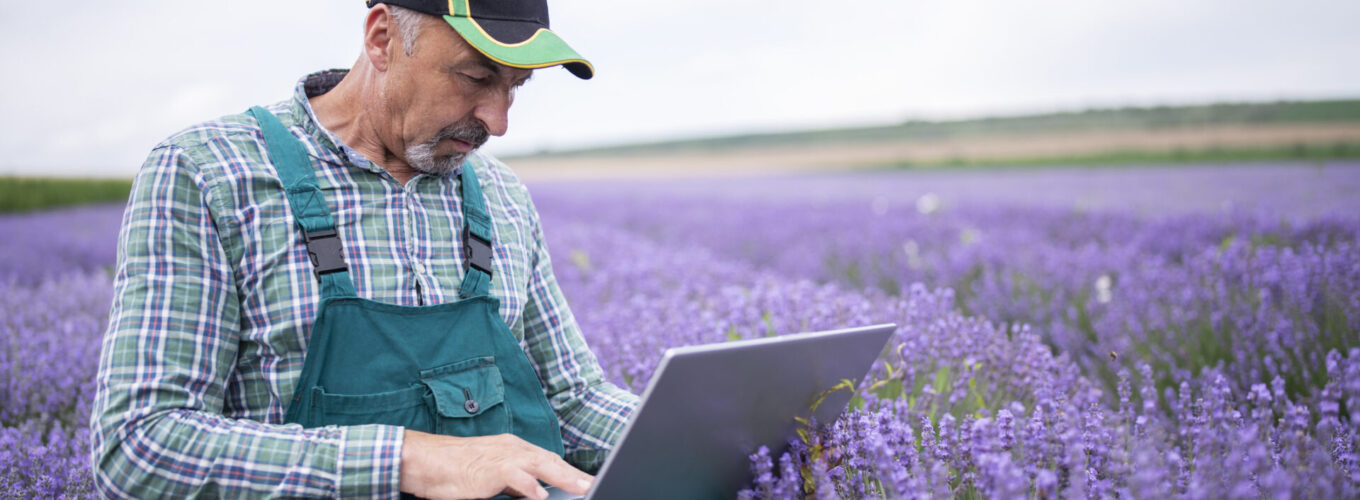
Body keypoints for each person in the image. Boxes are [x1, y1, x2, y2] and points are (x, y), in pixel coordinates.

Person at [89, 1, 638, 498]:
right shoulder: (210, 174)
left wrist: (709, 433)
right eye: (476, 77)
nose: (499, 121)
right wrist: (403, 458)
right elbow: (140, 443)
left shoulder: (502, 194)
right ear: (381, 39)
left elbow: (569, 400)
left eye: (516, 86)